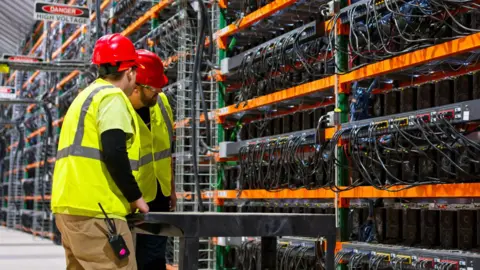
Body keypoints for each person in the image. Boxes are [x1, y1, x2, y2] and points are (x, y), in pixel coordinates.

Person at [51, 33, 149, 270]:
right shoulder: (112, 97)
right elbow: (114, 152)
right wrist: (136, 198)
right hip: (99, 211)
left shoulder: (85, 97)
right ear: (130, 72)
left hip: (68, 208)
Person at [127, 49, 175, 270]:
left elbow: (167, 151)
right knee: (126, 258)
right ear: (137, 86)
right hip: (129, 198)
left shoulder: (163, 103)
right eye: (154, 89)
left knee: (154, 258)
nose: (159, 93)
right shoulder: (119, 107)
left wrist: (171, 188)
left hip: (159, 195)